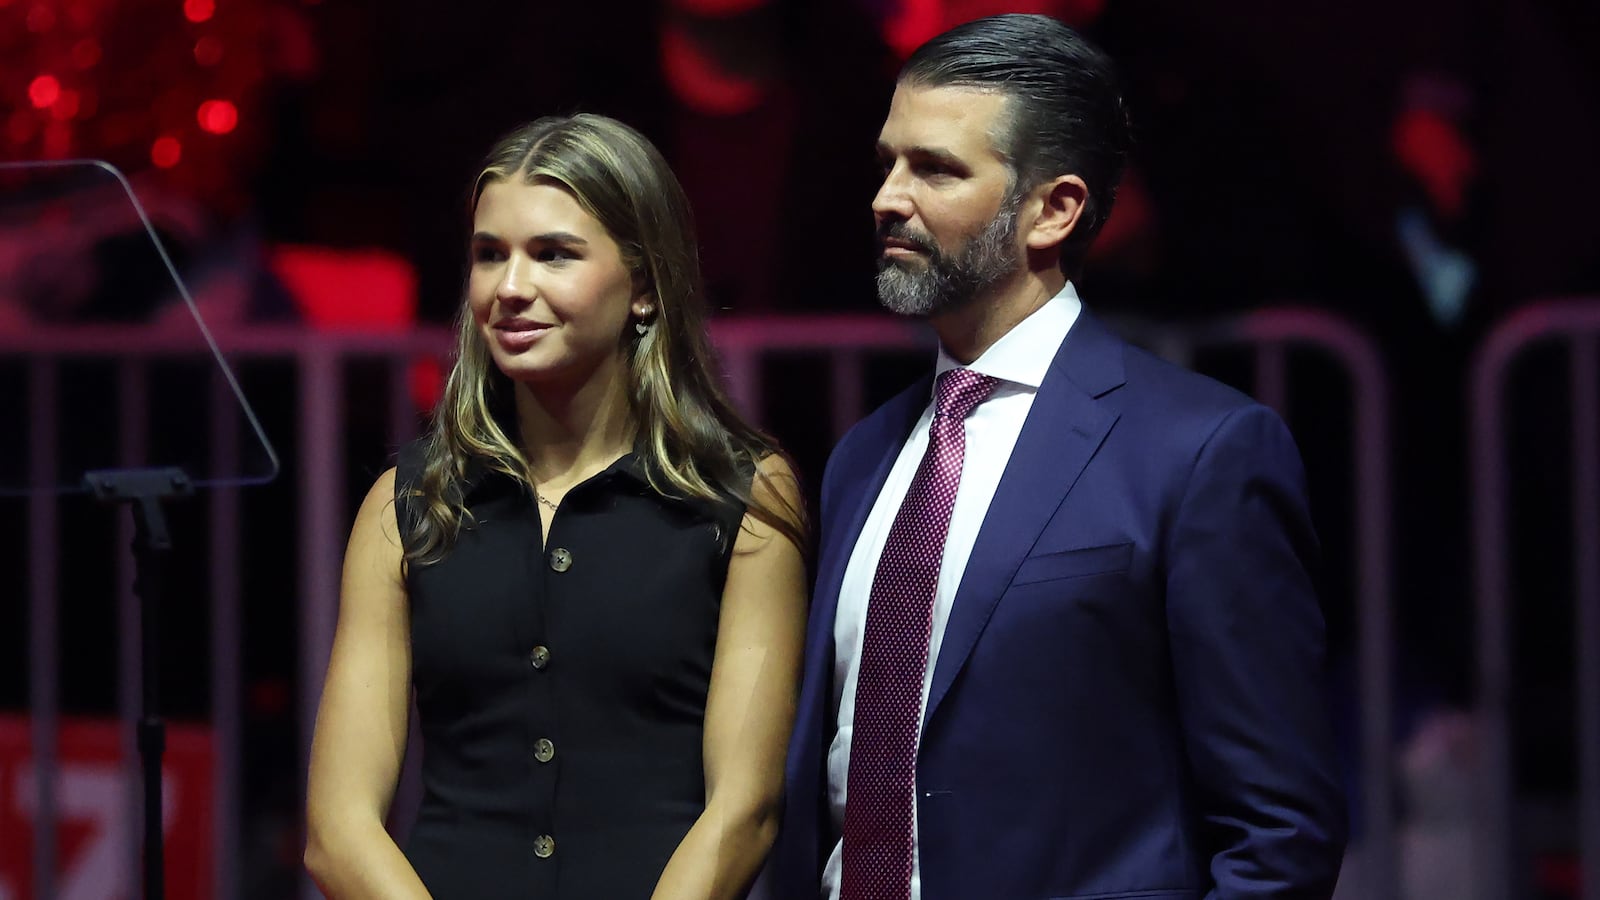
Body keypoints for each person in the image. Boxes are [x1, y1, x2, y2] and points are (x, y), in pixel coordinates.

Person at [767, 14, 1347, 899]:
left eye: (935, 169)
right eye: (888, 161)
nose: (887, 195)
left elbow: (1279, 827)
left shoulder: (1199, 452)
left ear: (1055, 209)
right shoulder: (865, 455)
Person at [304, 113, 809, 899]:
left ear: (644, 286)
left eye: (553, 255)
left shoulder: (739, 492)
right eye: (488, 255)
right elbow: (337, 833)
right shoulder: (410, 499)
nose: (510, 288)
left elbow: (744, 811)